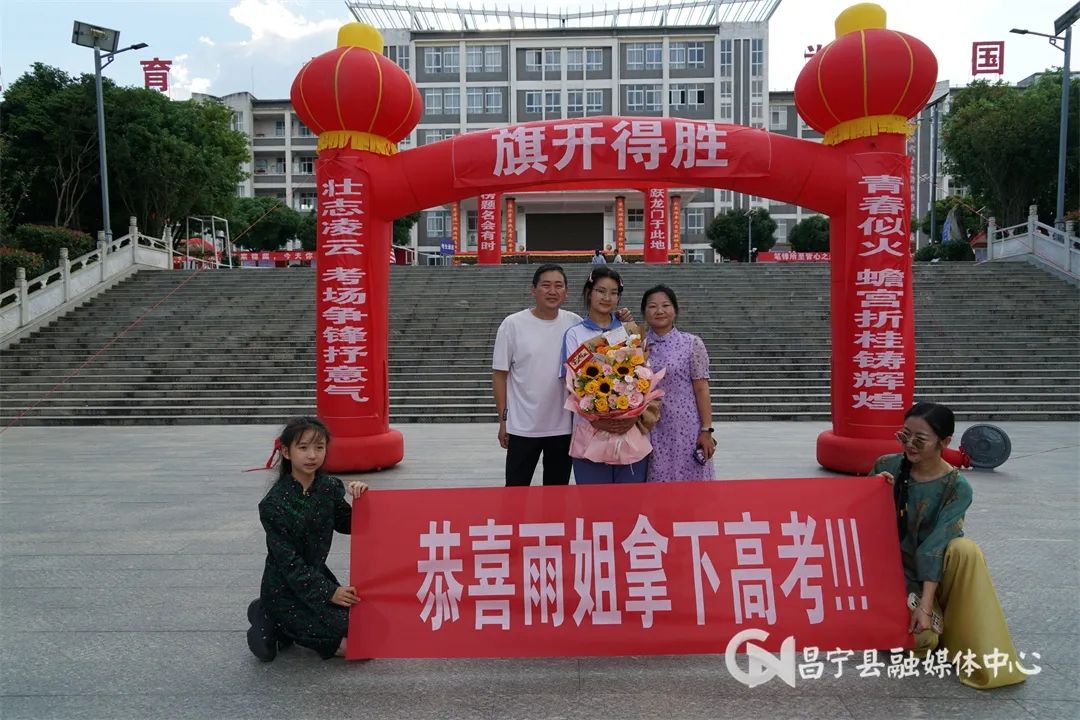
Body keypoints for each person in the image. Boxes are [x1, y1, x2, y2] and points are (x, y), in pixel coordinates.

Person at [874, 402, 1026, 689]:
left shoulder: (956, 487)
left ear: (944, 442)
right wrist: (874, 491)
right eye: (905, 435)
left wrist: (925, 606)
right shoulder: (886, 466)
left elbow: (935, 546)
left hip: (936, 575)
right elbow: (861, 523)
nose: (910, 444)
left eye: (920, 439)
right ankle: (934, 623)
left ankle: (950, 623)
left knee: (965, 549)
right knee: (923, 641)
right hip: (894, 574)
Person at [246, 416, 369, 661]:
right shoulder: (273, 505)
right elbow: (289, 564)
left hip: (316, 577)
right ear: (286, 452)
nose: (312, 455)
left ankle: (280, 625)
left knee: (365, 631)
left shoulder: (329, 487)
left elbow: (350, 525)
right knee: (350, 648)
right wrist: (330, 592)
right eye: (303, 447)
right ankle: (267, 613)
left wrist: (361, 499)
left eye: (319, 447)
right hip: (284, 588)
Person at [492, 264, 581, 486]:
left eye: (559, 286)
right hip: (522, 427)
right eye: (546, 285)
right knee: (516, 492)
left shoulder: (574, 323)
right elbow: (500, 375)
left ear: (566, 291)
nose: (552, 291)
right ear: (533, 290)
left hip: (562, 427)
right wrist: (503, 420)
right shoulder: (512, 325)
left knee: (556, 494)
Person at [560, 266, 645, 484]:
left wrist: (629, 416)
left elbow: (642, 375)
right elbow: (573, 382)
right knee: (594, 502)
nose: (607, 298)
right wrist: (599, 418)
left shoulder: (629, 330)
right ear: (589, 292)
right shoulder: (574, 333)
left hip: (628, 430)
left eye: (613, 293)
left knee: (631, 500)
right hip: (590, 431)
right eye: (601, 291)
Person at [640, 285, 715, 482]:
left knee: (691, 488)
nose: (659, 311)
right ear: (644, 312)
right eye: (652, 306)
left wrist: (706, 430)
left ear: (675, 309)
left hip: (686, 429)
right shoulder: (637, 346)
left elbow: (701, 389)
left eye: (665, 305)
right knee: (656, 487)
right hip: (650, 429)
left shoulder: (691, 344)